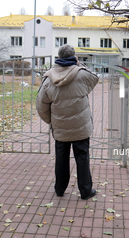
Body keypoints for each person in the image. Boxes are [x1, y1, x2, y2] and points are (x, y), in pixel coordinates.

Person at [36, 44, 99, 200]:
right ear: (74, 58)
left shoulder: (48, 78)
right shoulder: (82, 75)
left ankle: (59, 189)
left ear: (58, 58)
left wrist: (52, 121)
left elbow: (41, 106)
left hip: (60, 129)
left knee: (61, 160)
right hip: (81, 128)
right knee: (82, 159)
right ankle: (85, 191)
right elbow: (95, 78)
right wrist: (79, 64)